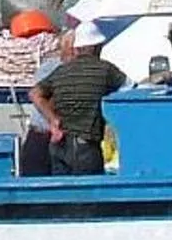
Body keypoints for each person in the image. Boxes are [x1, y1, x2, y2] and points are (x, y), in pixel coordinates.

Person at [27, 18, 125, 178]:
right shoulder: (105, 69)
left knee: (60, 194)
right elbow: (130, 87)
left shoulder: (59, 72)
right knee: (89, 196)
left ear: (76, 49)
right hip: (85, 147)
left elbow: (34, 93)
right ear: (97, 47)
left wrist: (53, 120)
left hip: (58, 145)